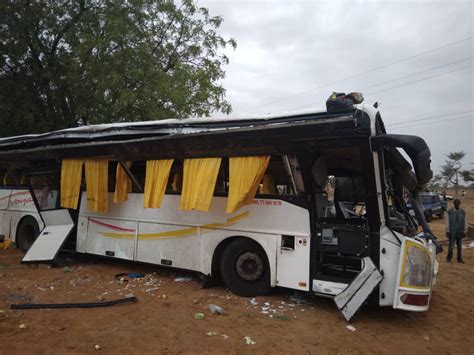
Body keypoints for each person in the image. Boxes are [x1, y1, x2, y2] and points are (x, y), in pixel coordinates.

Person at [445, 199, 468, 263]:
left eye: (458, 203)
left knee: (459, 246)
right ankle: (449, 258)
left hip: (460, 232)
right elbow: (447, 222)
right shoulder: (449, 212)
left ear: (460, 204)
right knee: (451, 246)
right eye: (455, 203)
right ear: (454, 204)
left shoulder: (463, 212)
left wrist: (465, 231)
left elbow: (465, 222)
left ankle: (459, 258)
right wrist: (448, 230)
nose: (457, 204)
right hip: (452, 232)